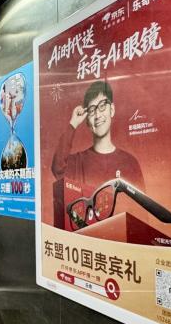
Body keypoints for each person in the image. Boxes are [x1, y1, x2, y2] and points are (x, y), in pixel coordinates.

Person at [51, 80, 144, 228]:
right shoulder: (77, 162)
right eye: (92, 110)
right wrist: (73, 124)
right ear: (87, 120)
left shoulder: (130, 163)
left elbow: (141, 215)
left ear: (112, 110)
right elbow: (57, 168)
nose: (97, 115)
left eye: (102, 106)